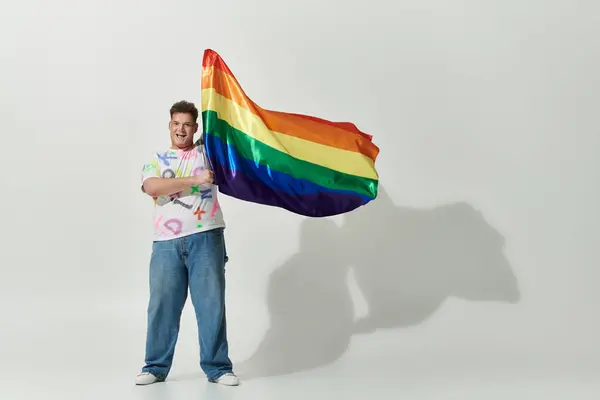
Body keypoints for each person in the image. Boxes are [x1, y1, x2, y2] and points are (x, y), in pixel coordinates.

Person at [135, 100, 239, 386]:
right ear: (169, 125)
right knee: (162, 305)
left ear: (195, 128)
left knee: (211, 305)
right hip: (166, 244)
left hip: (206, 237)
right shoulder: (156, 159)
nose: (181, 129)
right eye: (176, 123)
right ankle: (155, 366)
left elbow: (227, 130)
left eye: (187, 124)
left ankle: (218, 368)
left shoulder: (207, 153)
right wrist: (195, 182)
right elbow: (153, 187)